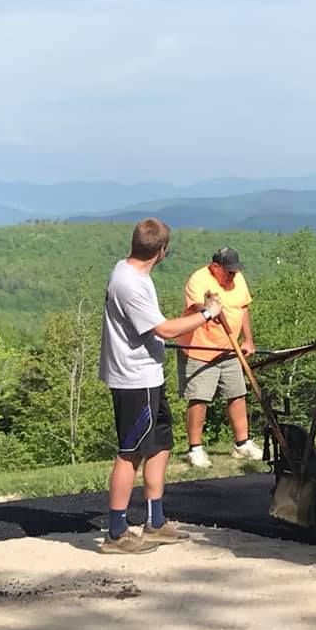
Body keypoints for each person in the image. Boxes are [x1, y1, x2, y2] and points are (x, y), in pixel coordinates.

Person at [99, 217, 223, 554]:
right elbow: (165, 330)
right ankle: (116, 532)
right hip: (133, 379)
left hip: (149, 375)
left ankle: (154, 521)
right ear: (162, 251)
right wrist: (209, 313)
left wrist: (196, 311)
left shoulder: (132, 272)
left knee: (159, 444)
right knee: (131, 452)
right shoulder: (132, 284)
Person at [177, 247, 264, 468]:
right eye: (228, 272)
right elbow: (200, 307)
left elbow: (243, 309)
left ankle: (242, 444)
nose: (232, 276)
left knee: (237, 394)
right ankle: (195, 449)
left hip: (229, 349)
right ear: (215, 267)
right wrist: (211, 309)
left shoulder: (238, 279)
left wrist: (248, 340)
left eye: (235, 271)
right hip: (200, 349)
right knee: (199, 398)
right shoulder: (199, 280)